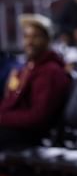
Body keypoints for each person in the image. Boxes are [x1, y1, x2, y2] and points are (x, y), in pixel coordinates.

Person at [0, 14, 71, 149]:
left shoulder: (51, 71)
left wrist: (2, 118)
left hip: (33, 134)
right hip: (16, 129)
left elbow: (38, 117)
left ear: (47, 40)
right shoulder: (27, 68)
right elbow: (10, 103)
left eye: (35, 37)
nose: (29, 42)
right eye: (26, 37)